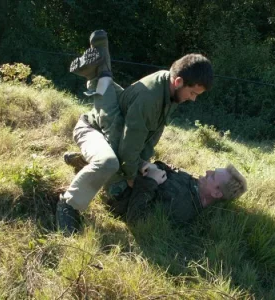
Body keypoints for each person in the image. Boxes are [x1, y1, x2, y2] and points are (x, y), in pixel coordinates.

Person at [56, 29, 214, 235]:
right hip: (92, 129)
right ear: (178, 82)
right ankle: (68, 205)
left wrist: (142, 163)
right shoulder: (151, 98)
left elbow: (150, 134)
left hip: (112, 132)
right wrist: (131, 174)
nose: (193, 99)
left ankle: (100, 74)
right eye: (192, 93)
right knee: (109, 163)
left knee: (124, 169)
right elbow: (127, 141)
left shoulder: (169, 90)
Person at [109, 161, 247, 224]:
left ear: (216, 194)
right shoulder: (195, 184)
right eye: (212, 170)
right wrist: (155, 167)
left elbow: (136, 218)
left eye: (212, 176)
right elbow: (171, 170)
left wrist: (151, 181)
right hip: (132, 170)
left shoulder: (183, 208)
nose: (207, 172)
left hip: (118, 187)